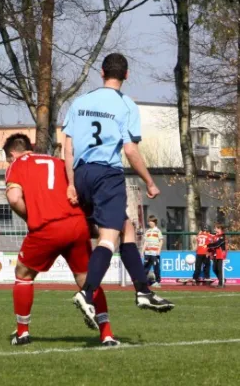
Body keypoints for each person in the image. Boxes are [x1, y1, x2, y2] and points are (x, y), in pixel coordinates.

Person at [62, 53, 174, 326]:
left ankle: (143, 290)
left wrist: (70, 183)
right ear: (126, 75)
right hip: (107, 174)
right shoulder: (126, 105)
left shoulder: (80, 102)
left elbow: (67, 147)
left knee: (127, 229)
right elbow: (130, 149)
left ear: (101, 72)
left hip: (81, 173)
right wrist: (149, 181)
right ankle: (86, 294)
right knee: (108, 238)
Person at [4, 133, 119, 347]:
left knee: (23, 274)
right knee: (87, 279)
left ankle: (22, 332)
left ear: (12, 154)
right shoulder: (58, 162)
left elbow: (13, 198)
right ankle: (107, 335)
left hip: (46, 227)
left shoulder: (17, 164)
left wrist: (31, 217)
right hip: (76, 224)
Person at [142, 215, 163, 287]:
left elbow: (161, 241)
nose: (149, 223)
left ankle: (158, 281)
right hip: (147, 252)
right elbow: (145, 242)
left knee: (156, 267)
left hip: (155, 253)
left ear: (154, 222)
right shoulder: (147, 231)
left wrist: (158, 251)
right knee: (145, 267)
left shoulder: (158, 231)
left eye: (151, 221)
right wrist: (142, 251)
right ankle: (143, 281)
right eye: (149, 221)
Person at [208, 224, 226, 288]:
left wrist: (208, 245)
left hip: (221, 254)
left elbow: (217, 244)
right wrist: (210, 251)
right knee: (214, 269)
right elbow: (213, 246)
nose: (215, 229)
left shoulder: (222, 236)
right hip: (215, 254)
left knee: (219, 269)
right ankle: (222, 280)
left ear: (219, 229)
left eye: (216, 228)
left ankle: (221, 283)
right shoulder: (215, 236)